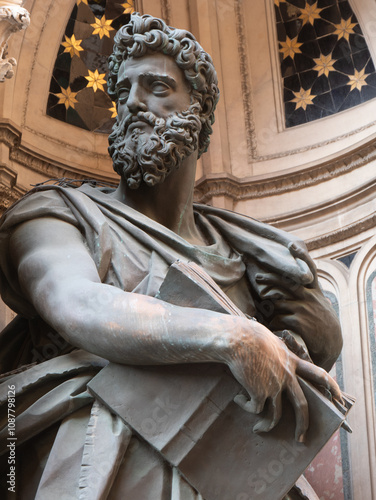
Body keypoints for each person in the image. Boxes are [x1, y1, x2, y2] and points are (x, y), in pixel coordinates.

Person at [0, 13, 343, 500]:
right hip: (92, 452)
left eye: (157, 86)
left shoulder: (249, 256)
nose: (134, 104)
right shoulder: (57, 213)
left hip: (225, 468)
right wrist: (231, 335)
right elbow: (76, 303)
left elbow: (321, 342)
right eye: (122, 92)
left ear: (200, 111)